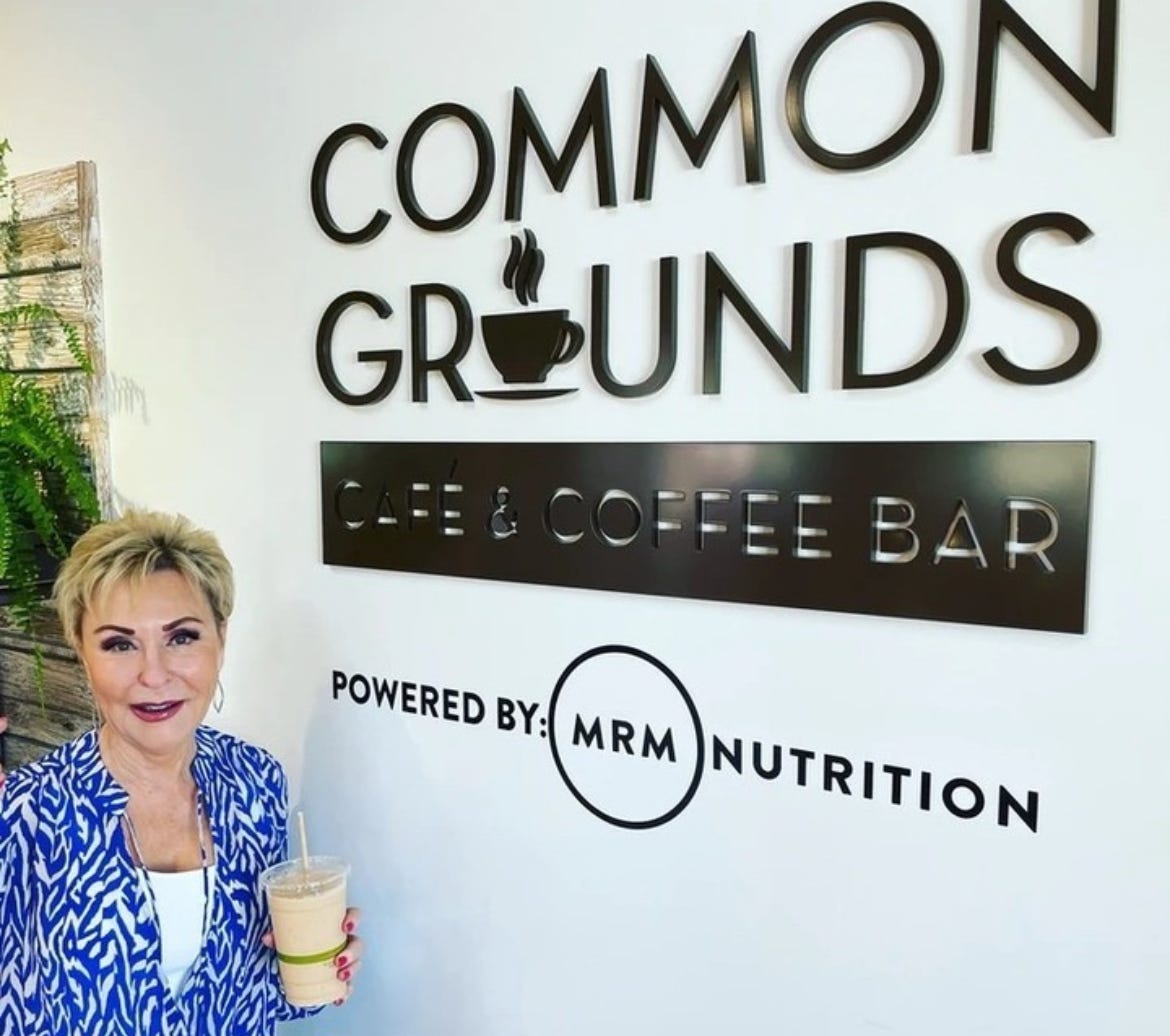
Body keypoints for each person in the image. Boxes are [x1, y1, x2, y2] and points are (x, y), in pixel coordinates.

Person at [0, 511, 362, 1035]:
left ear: (221, 637)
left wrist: (323, 964)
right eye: (119, 644)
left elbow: (267, 998)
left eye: (182, 637)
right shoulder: (28, 811)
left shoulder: (254, 781)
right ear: (82, 651)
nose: (154, 674)